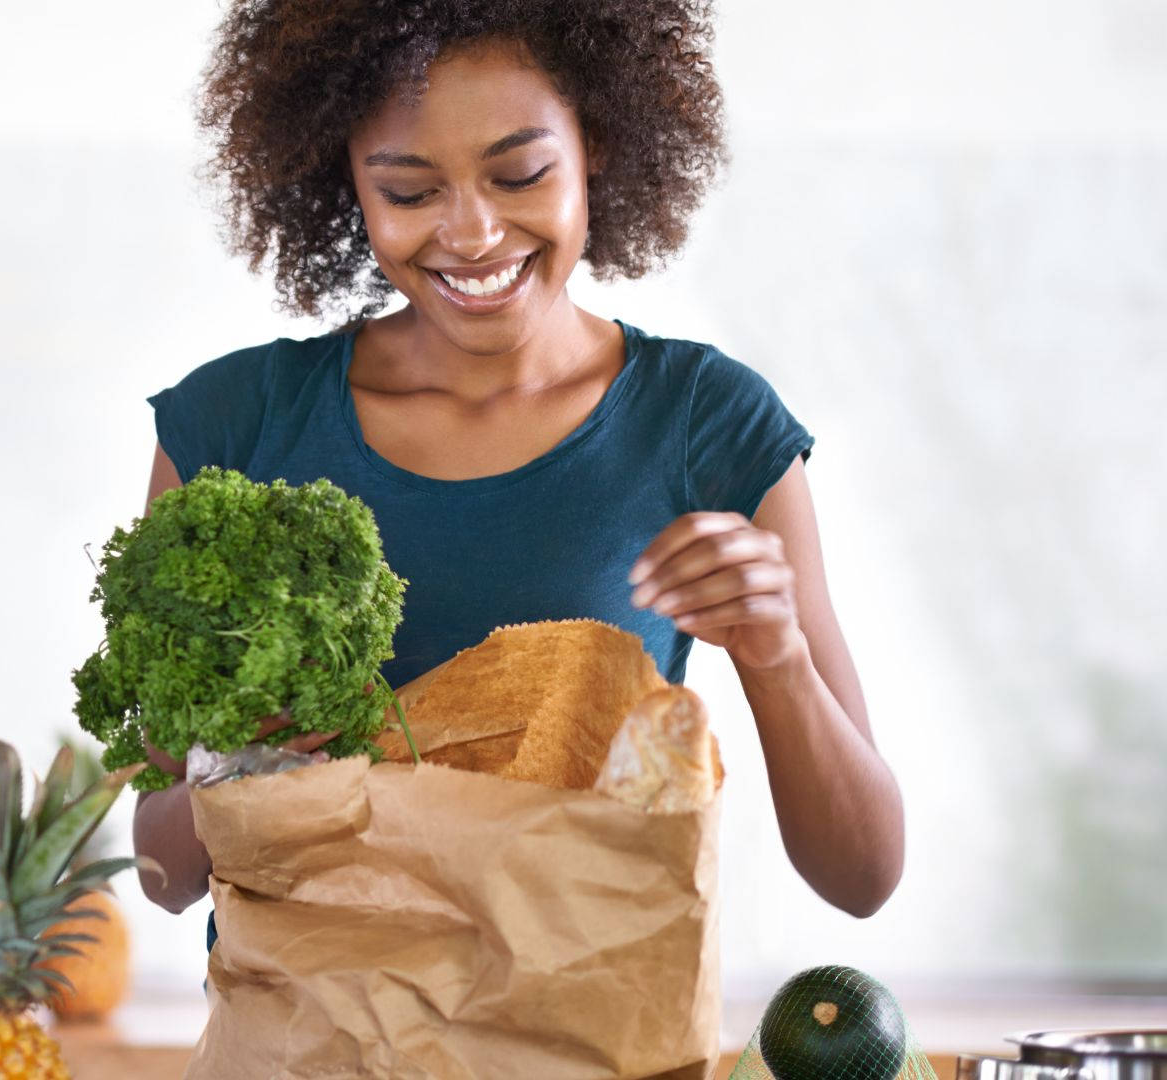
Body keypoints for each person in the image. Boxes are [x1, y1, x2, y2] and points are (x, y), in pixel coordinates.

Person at [130, 0, 906, 964]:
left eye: (521, 174)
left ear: (599, 148)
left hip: (586, 1040)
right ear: (349, 189)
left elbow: (864, 873)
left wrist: (775, 657)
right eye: (410, 193)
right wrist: (238, 775)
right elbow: (160, 877)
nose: (472, 231)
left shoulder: (707, 423)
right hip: (306, 1048)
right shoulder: (235, 426)